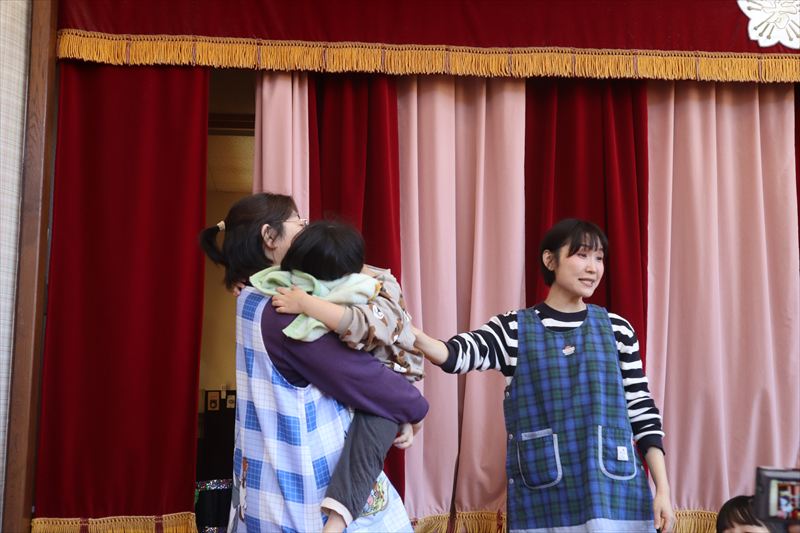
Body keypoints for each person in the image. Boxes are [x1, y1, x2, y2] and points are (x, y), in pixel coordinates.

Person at [412, 218, 674, 533]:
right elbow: (455, 355)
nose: (593, 268)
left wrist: (663, 489)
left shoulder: (618, 330)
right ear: (550, 260)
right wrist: (406, 332)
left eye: (599, 258)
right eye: (582, 255)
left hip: (615, 494)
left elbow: (641, 411)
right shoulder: (513, 329)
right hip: (545, 499)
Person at [199, 193, 428, 532]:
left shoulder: (251, 295)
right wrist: (414, 407)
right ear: (269, 236)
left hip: (265, 491)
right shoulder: (283, 313)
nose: (306, 231)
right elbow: (365, 379)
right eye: (299, 223)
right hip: (304, 497)